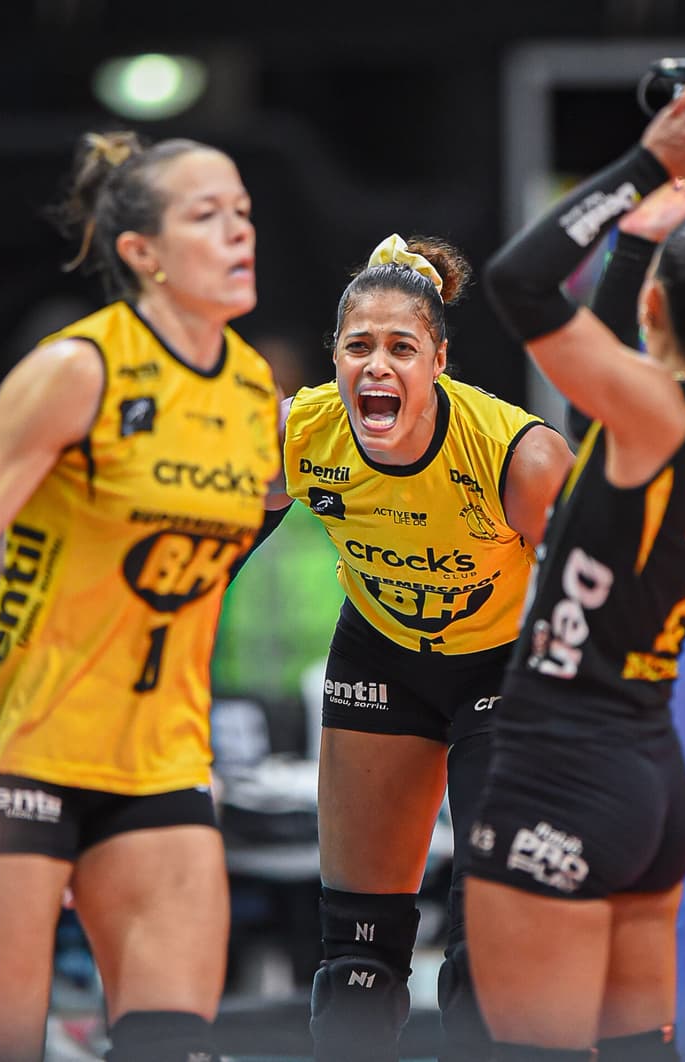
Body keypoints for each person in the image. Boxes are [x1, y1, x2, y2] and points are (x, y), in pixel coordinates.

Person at [463, 74, 685, 1062]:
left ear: (659, 311)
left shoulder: (653, 415)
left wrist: (644, 171)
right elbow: (597, 405)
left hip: (561, 765)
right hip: (650, 787)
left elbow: (517, 282)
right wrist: (636, 243)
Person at [0, 130, 280, 1062]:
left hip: (161, 762)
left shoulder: (251, 388)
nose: (239, 233)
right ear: (140, 253)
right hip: (22, 753)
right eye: (207, 216)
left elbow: (229, 537)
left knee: (172, 1049)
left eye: (242, 212)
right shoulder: (79, 370)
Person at [258, 231, 574, 1061]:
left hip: (502, 667)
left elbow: (606, 587)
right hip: (380, 653)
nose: (377, 366)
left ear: (439, 360)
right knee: (355, 957)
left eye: (402, 347)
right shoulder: (297, 432)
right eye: (358, 346)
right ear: (333, 357)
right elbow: (204, 555)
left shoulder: (519, 453)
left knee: (491, 948)